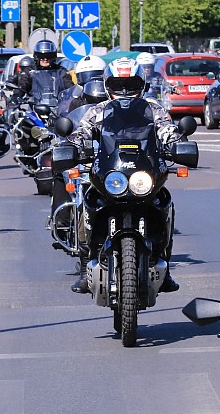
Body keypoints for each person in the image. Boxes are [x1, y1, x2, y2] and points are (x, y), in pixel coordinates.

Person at [68, 56, 182, 294]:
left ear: (141, 85)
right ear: (108, 86)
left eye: (130, 85)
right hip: (110, 171)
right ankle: (83, 266)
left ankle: (165, 265)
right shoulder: (98, 111)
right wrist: (73, 147)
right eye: (119, 85)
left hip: (144, 171)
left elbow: (168, 130)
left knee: (166, 203)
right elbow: (82, 133)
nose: (124, 90)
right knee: (84, 203)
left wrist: (176, 144)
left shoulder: (153, 109)